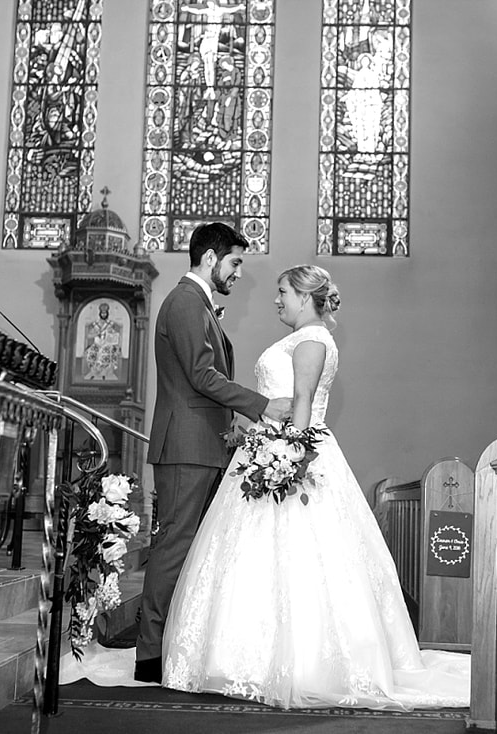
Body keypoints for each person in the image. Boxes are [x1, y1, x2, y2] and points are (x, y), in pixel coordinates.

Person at [160, 265, 470, 710]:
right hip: (275, 445)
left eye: (283, 291)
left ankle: (293, 664)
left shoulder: (311, 340)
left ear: (306, 298)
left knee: (296, 559)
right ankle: (245, 659)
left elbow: (302, 401)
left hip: (294, 453)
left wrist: (287, 459)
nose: (277, 299)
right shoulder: (308, 336)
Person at [135, 222, 292, 683]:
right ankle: (149, 655)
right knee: (173, 546)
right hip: (186, 446)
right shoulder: (185, 302)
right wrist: (263, 406)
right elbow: (202, 376)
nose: (239, 272)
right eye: (236, 262)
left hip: (201, 443)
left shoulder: (198, 304)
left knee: (189, 548)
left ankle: (172, 645)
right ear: (210, 258)